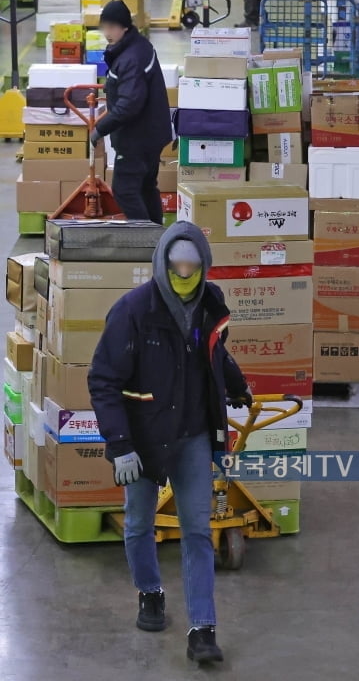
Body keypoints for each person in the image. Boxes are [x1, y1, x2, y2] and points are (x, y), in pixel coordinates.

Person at [88, 222, 252, 665]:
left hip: (195, 434)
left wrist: (237, 385)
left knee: (198, 529)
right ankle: (150, 592)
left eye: (192, 264)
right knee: (140, 523)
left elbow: (215, 354)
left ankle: (203, 629)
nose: (184, 271)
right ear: (162, 263)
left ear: (204, 266)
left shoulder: (210, 307)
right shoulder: (133, 311)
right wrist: (120, 445)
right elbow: (103, 380)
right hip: (143, 439)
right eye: (176, 263)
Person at [91, 0, 172, 224]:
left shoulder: (131, 58)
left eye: (112, 27)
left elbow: (130, 103)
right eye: (105, 26)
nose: (107, 32)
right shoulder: (137, 46)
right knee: (146, 186)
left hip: (137, 137)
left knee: (125, 190)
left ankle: (146, 238)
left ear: (124, 27)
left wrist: (100, 128)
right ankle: (157, 237)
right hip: (151, 133)